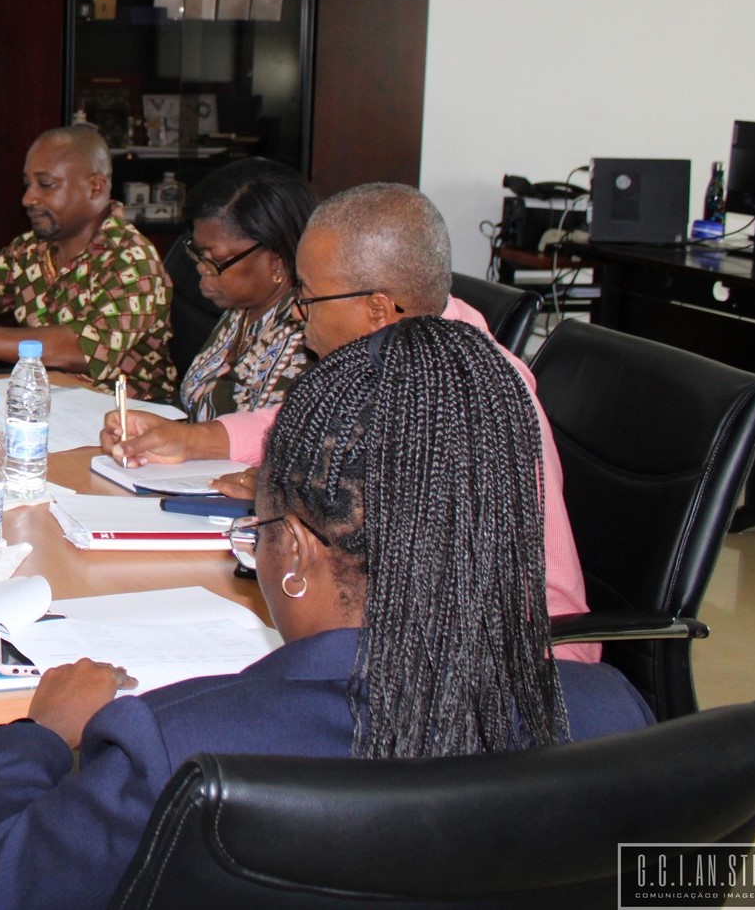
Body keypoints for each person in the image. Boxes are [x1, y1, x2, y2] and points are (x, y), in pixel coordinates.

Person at [0, 318, 652, 909]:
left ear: (295, 550)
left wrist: (37, 742)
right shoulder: (613, 718)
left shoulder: (175, 749)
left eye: (257, 530)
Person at [100, 182, 595, 657]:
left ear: (377, 310)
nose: (298, 314)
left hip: (497, 667)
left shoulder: (472, 401)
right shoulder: (405, 346)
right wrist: (193, 440)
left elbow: (525, 608)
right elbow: (298, 420)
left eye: (308, 297)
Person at [0, 126, 173, 401]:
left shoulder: (132, 259)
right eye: (27, 185)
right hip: (44, 401)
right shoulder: (31, 249)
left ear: (95, 187)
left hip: (126, 416)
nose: (28, 198)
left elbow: (83, 348)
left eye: (45, 184)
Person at [170, 158, 317, 421]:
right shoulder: (242, 308)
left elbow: (273, 434)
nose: (202, 268)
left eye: (217, 259)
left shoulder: (308, 333)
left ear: (277, 259)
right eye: (199, 253)